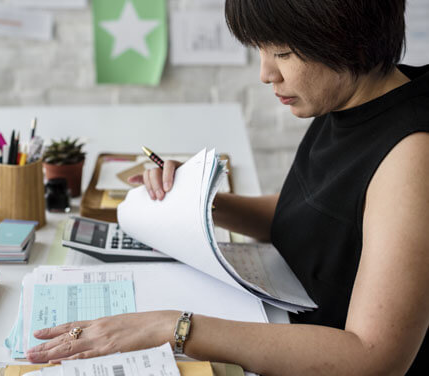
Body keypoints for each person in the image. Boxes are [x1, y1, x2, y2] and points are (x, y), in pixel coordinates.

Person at [27, 0, 428, 374]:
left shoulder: (413, 153)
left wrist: (175, 328)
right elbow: (316, 219)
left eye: (283, 53)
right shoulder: (347, 96)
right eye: (262, 50)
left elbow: (375, 358)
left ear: (347, 39)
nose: (266, 73)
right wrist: (198, 201)